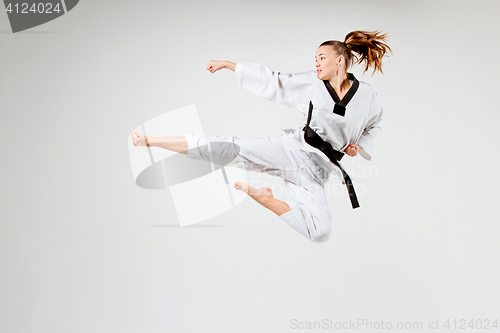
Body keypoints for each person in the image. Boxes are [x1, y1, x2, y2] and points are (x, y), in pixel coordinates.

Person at [131, 30, 391, 243]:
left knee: (321, 232)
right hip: (291, 150)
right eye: (315, 58)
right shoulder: (311, 83)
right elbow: (273, 81)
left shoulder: (367, 95)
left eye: (321, 58)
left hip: (315, 172)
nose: (316, 63)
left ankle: (266, 199)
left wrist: (360, 145)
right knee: (226, 149)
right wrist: (229, 65)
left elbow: (375, 123)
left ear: (340, 60)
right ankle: (150, 140)